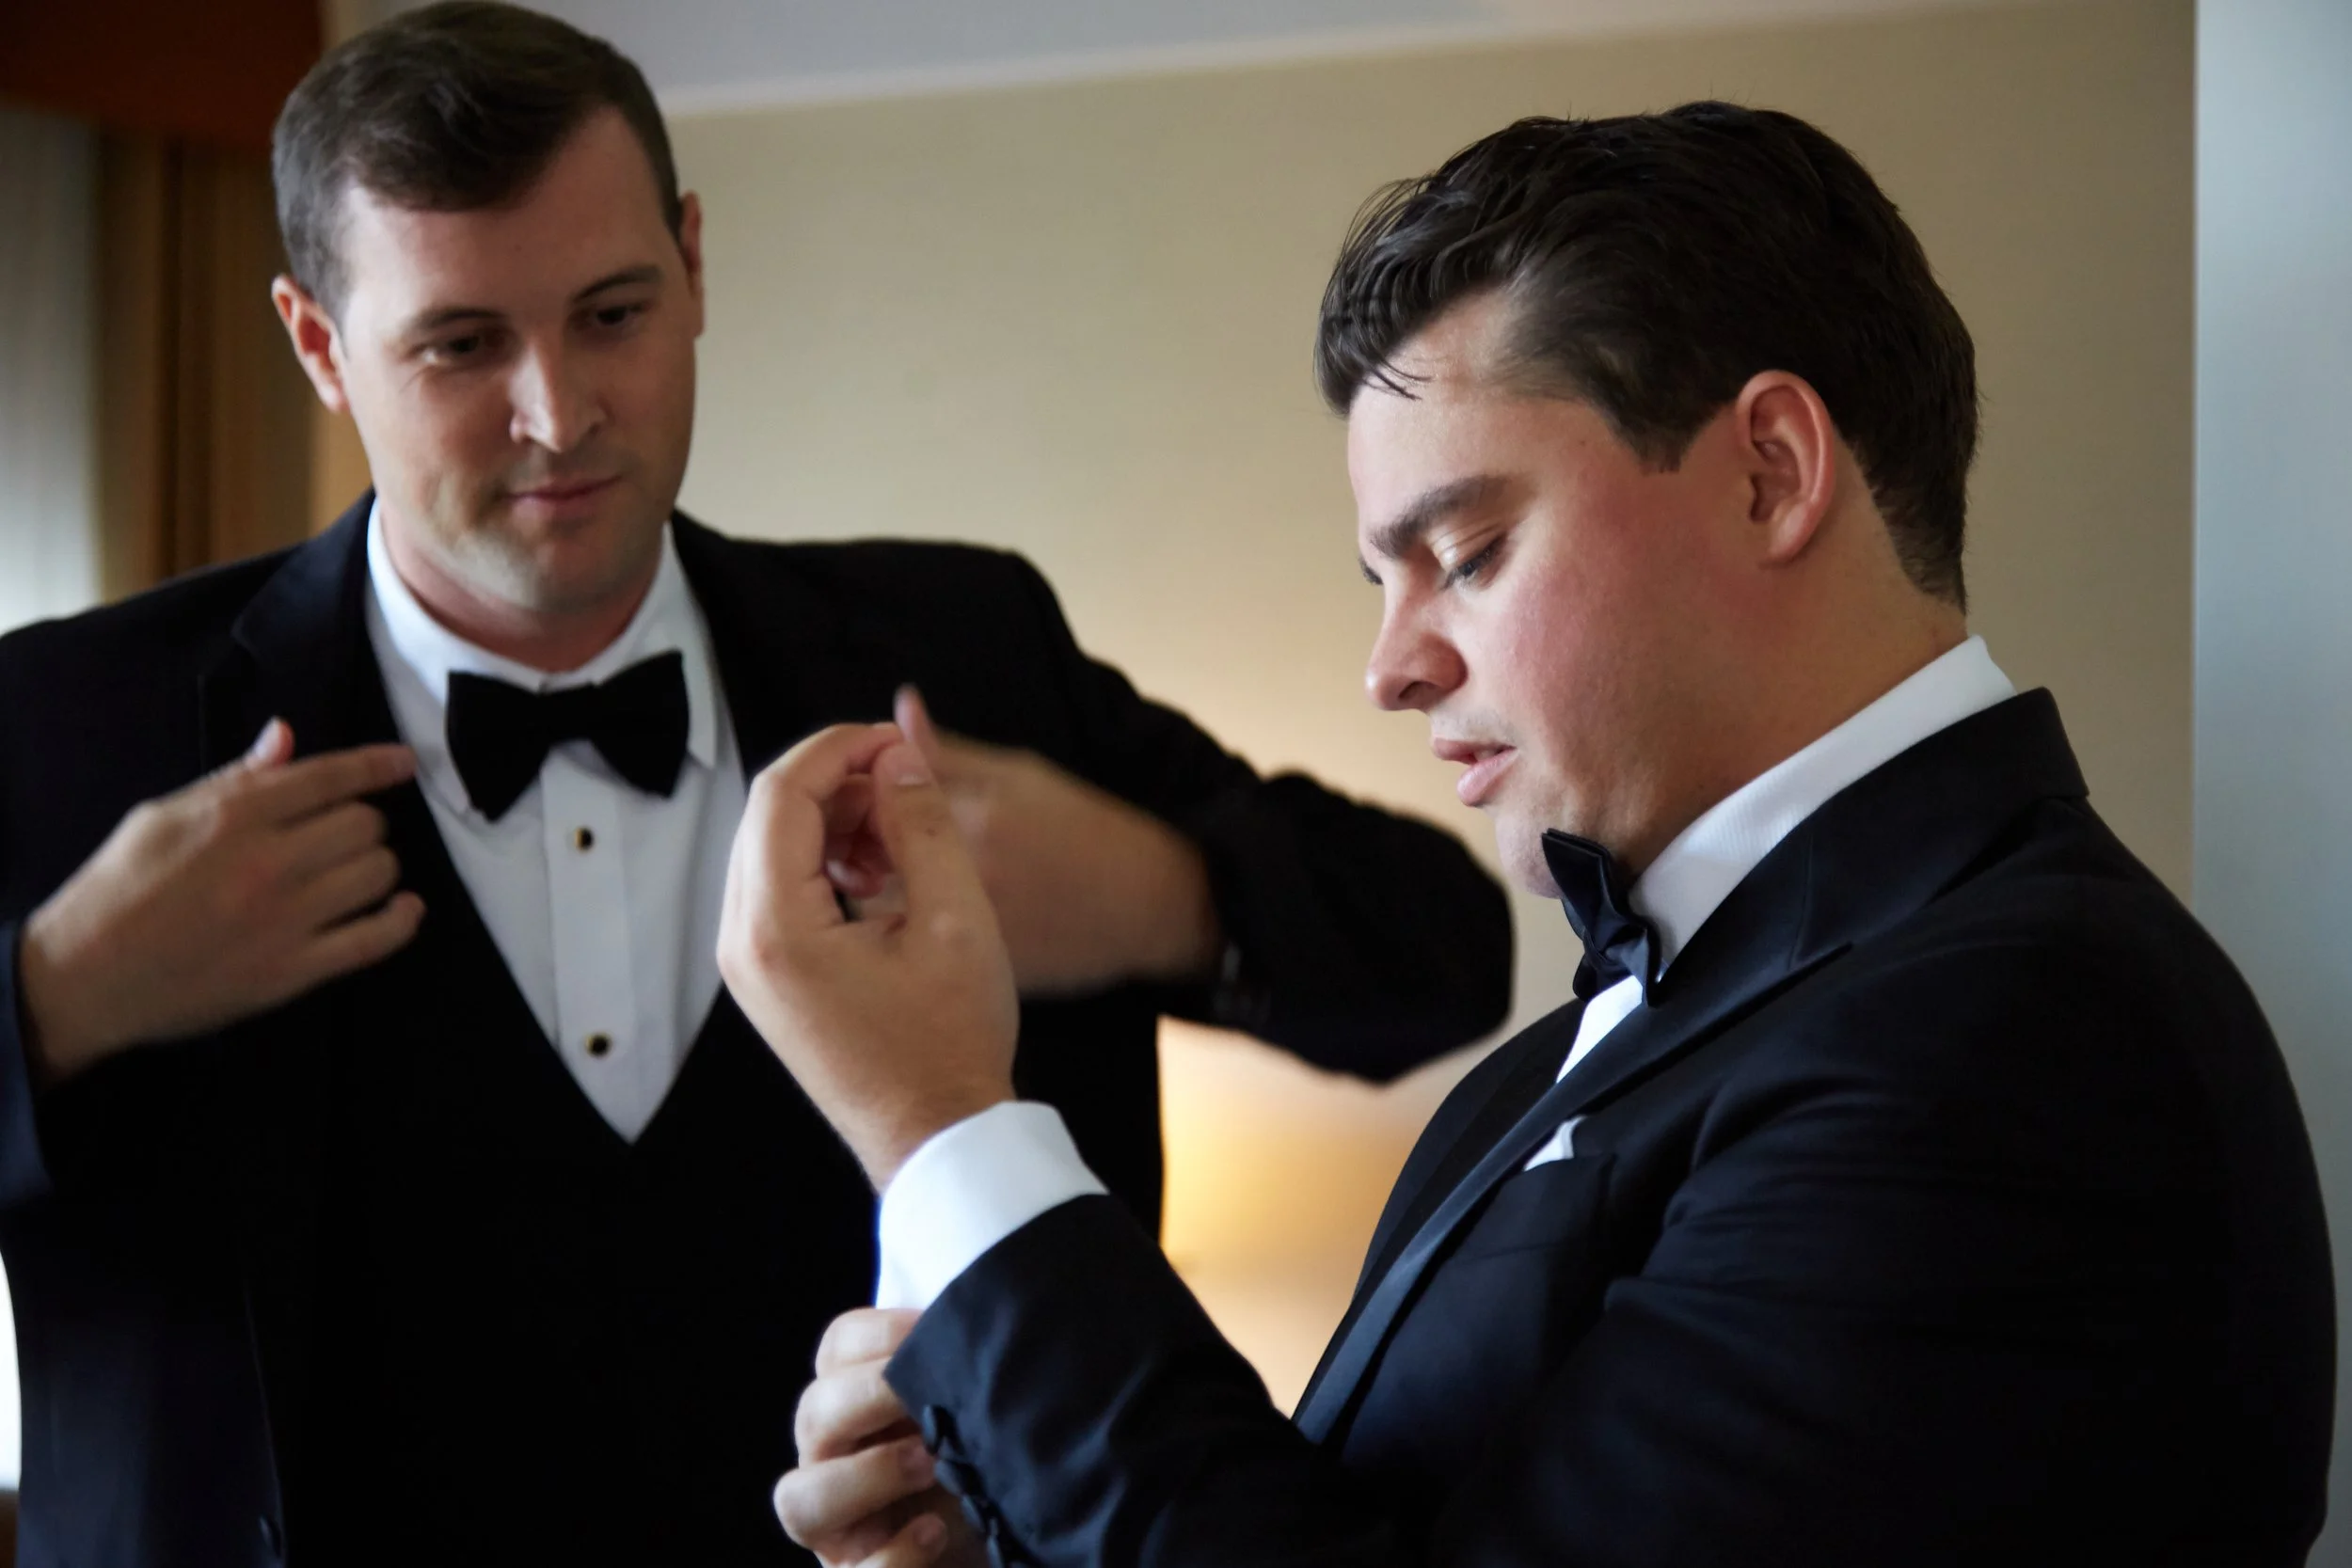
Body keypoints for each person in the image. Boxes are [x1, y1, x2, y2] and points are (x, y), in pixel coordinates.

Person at [0, 7, 1513, 1565]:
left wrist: (1156, 894)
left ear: (695, 264)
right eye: (461, 344)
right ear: (319, 344)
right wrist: (57, 996)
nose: (559, 412)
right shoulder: (69, 723)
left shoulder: (963, 646)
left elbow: (1447, 951)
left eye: (612, 313)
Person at [736, 104, 2337, 1567]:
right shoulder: (1572, 1060)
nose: (1390, 667)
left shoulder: (2016, 1035)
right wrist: (1021, 1524)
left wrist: (943, 1124)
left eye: (1467, 550)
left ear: (1771, 474)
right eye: (1385, 582)